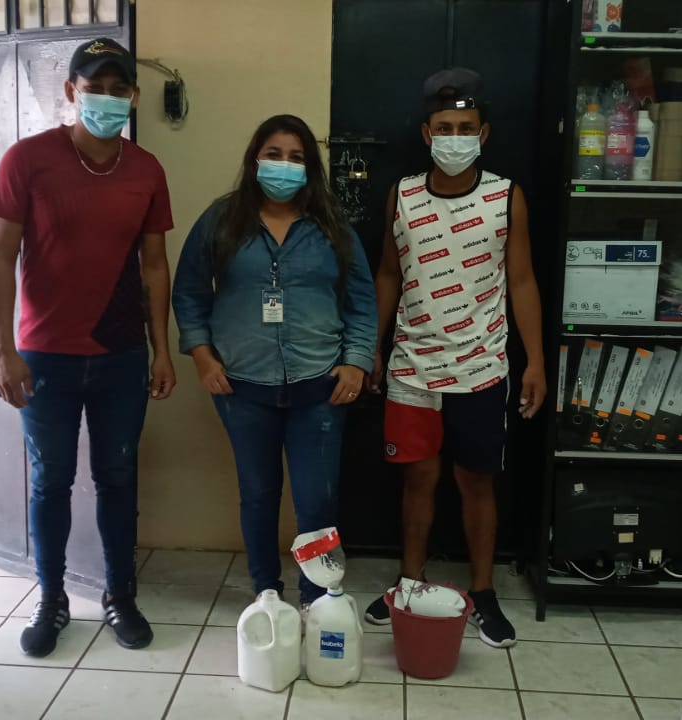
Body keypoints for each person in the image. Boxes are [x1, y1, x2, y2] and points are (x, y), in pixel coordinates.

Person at [0, 37, 175, 657]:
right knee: (51, 482)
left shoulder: (146, 169)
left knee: (118, 477)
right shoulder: (27, 160)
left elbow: (154, 265)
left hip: (121, 354)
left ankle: (121, 595)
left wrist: (162, 349)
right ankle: (51, 598)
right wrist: (3, 351)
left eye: (120, 90)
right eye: (95, 88)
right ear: (72, 91)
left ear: (135, 97)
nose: (108, 99)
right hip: (45, 357)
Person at [363, 68, 547, 648]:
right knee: (418, 480)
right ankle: (409, 583)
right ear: (427, 134)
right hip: (411, 368)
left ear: (483, 134)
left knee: (476, 482)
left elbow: (522, 281)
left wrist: (536, 361)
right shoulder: (402, 195)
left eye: (466, 128)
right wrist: (371, 347)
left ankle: (483, 593)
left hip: (481, 367)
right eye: (444, 128)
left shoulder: (505, 196)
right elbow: (387, 275)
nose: (454, 138)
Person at [172, 115, 377, 609]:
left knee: (317, 499)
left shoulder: (332, 226)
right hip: (241, 385)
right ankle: (266, 591)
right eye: (274, 154)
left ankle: (317, 596)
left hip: (320, 385)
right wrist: (202, 358)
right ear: (255, 160)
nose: (284, 165)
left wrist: (356, 362)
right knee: (259, 494)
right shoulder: (222, 220)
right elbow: (189, 292)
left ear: (310, 167)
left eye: (296, 157)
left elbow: (361, 301)